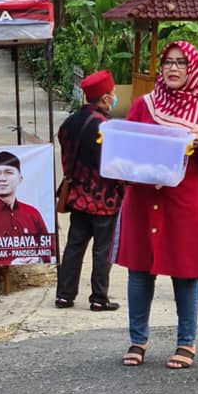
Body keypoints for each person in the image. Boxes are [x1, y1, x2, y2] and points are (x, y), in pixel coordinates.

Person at [112, 41, 198, 369]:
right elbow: (126, 150)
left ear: (192, 69)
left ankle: (186, 344)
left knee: (186, 273)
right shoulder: (144, 105)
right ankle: (138, 340)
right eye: (168, 63)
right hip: (143, 198)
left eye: (181, 63)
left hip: (184, 202)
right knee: (139, 271)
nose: (173, 68)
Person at [55, 69, 123, 311]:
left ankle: (64, 295)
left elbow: (66, 158)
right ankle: (98, 298)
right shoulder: (108, 129)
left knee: (74, 246)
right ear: (105, 98)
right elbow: (116, 166)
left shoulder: (68, 124)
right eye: (113, 94)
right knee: (102, 251)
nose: (114, 98)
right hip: (105, 200)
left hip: (77, 197)